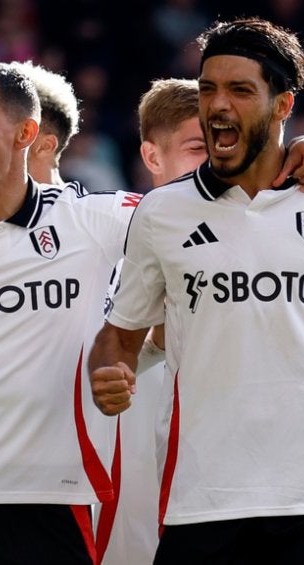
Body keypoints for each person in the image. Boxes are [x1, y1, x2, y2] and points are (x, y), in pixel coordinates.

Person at [0, 60, 304, 557]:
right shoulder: (103, 240)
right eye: (198, 149)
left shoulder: (130, 231)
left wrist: (294, 155)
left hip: (215, 506)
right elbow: (28, 389)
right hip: (96, 513)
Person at [88, 17, 304, 564]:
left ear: (283, 105)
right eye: (209, 88)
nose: (217, 104)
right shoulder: (160, 214)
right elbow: (117, 340)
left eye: (240, 90)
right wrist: (108, 376)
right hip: (199, 502)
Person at [97, 77, 207, 565]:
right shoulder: (106, 251)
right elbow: (68, 377)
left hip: (228, 504)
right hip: (126, 511)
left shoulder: (264, 244)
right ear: (151, 157)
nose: (214, 159)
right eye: (198, 147)